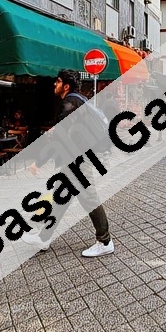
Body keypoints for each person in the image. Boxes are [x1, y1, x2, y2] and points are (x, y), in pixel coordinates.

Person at [22, 69, 114, 258]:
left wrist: (38, 163)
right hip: (76, 158)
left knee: (89, 198)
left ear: (66, 85)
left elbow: (59, 137)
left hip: (79, 160)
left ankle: (105, 241)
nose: (54, 84)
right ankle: (44, 237)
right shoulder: (80, 100)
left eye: (57, 81)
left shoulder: (70, 103)